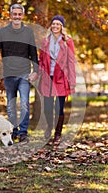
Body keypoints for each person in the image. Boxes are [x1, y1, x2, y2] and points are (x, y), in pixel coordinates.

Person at [0, 3, 39, 143]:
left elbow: (34, 54)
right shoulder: (3, 32)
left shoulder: (28, 32)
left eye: (19, 14)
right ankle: (13, 131)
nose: (17, 16)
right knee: (11, 105)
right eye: (14, 14)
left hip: (24, 74)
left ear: (22, 16)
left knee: (24, 103)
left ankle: (23, 132)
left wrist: (35, 71)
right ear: (10, 16)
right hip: (8, 74)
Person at [38, 15, 76, 144]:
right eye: (53, 24)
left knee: (59, 108)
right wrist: (38, 75)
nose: (55, 26)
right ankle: (49, 128)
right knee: (47, 108)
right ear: (51, 26)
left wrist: (72, 81)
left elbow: (71, 62)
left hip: (61, 78)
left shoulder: (67, 41)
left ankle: (58, 134)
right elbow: (42, 60)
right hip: (47, 77)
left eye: (58, 24)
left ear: (62, 27)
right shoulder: (46, 41)